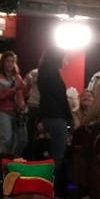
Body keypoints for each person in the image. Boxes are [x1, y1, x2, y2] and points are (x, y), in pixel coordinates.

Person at [34, 47, 72, 187]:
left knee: (51, 154)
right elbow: (61, 98)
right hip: (57, 116)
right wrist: (70, 117)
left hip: (47, 115)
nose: (65, 60)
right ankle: (49, 187)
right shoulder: (53, 74)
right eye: (64, 57)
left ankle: (45, 185)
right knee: (57, 155)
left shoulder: (43, 72)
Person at [0, 51, 29, 155]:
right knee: (7, 139)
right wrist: (11, 90)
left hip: (17, 112)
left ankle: (11, 160)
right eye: (8, 61)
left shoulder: (17, 77)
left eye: (12, 61)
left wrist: (28, 86)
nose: (10, 64)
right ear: (3, 62)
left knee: (22, 140)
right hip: (3, 111)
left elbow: (23, 93)